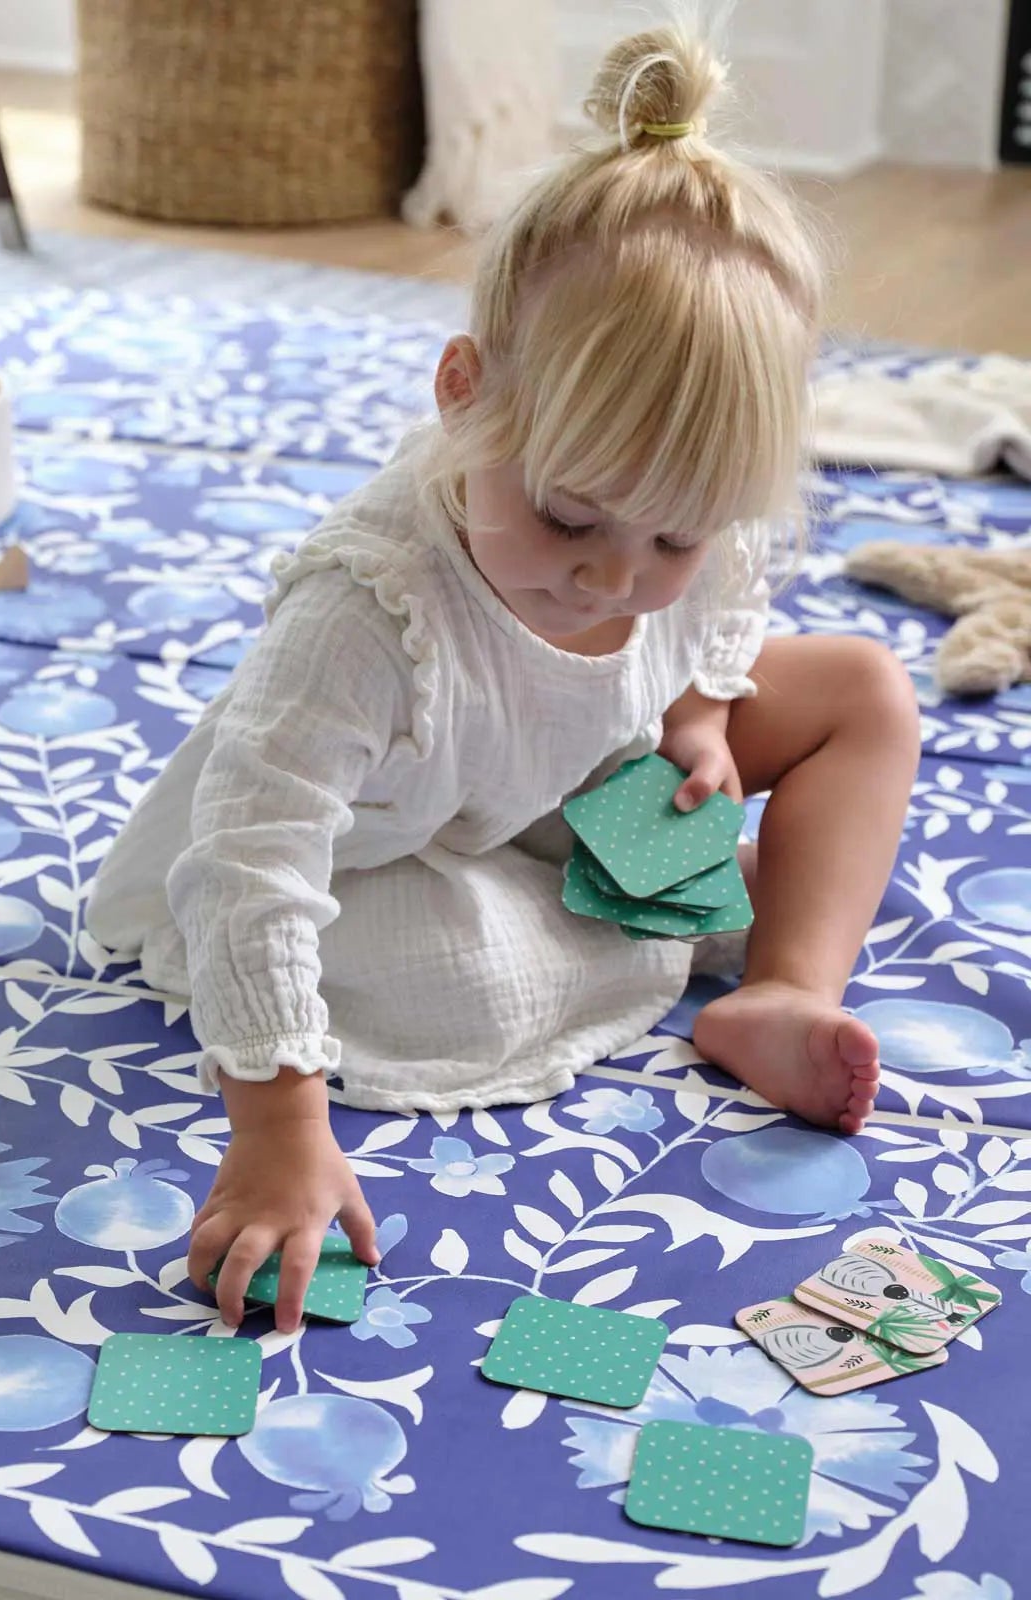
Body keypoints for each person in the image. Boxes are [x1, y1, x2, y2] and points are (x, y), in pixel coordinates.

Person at [86, 22, 921, 1334]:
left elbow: (732, 585)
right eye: (573, 519)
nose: (613, 580)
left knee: (866, 690)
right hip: (392, 838)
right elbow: (252, 862)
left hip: (569, 766)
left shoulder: (677, 521)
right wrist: (278, 1129)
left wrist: (701, 705)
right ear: (464, 394)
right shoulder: (365, 612)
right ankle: (663, 924)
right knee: (452, 980)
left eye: (675, 536)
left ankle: (781, 987)